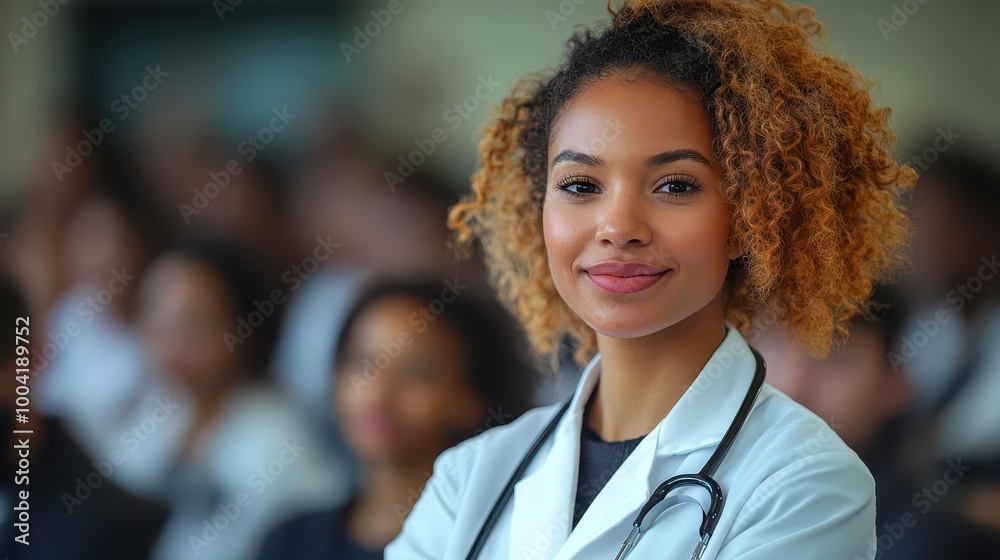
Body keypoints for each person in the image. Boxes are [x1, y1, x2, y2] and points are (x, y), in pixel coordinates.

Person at [386, 1, 916, 558]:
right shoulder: (469, 478)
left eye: (674, 186)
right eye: (581, 185)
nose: (618, 228)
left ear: (749, 218)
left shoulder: (807, 484)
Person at [257, 278, 537, 559]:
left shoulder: (500, 541)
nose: (378, 394)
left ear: (470, 399)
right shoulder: (290, 541)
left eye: (416, 372)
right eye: (363, 363)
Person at [133, 239, 351, 560]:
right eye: (156, 318)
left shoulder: (277, 439)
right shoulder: (156, 415)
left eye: (191, 323)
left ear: (241, 327)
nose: (169, 343)